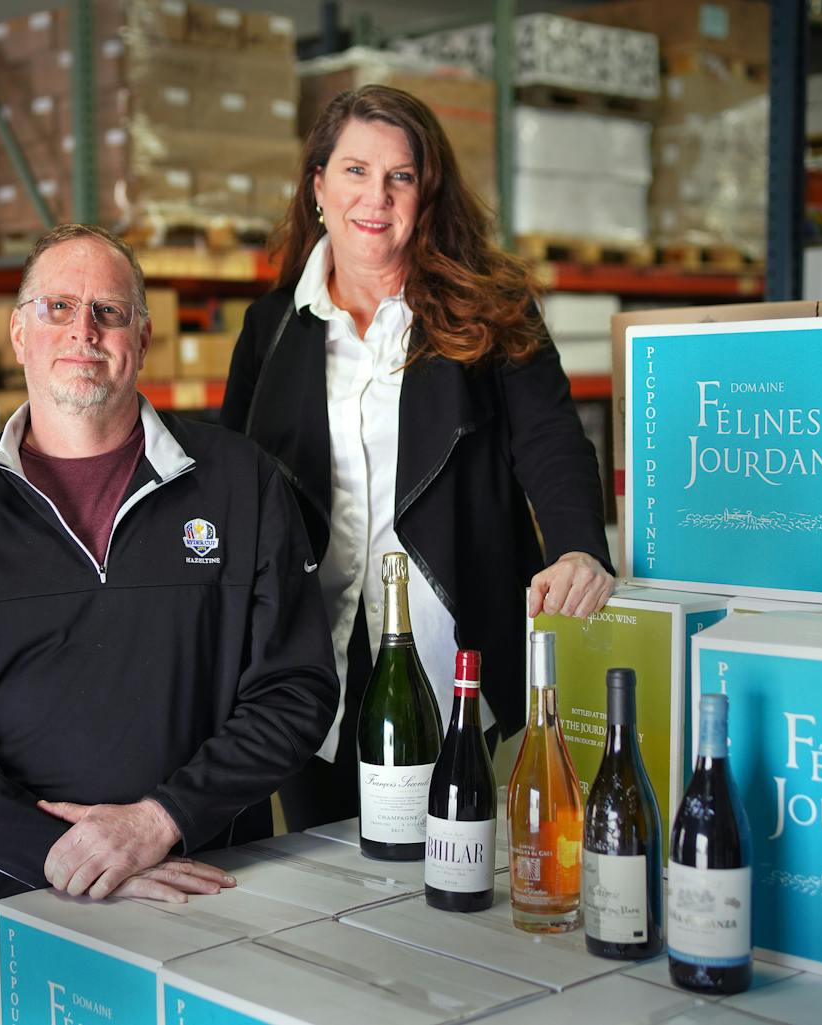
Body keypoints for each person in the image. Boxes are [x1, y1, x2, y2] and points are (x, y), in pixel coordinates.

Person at [0, 224, 338, 1022]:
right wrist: (55, 851)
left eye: (109, 312)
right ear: (19, 331)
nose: (83, 331)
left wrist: (160, 821)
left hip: (206, 913)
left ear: (143, 339)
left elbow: (295, 687)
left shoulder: (238, 484)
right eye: (58, 306)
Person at [220, 85, 615, 832]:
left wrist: (577, 547)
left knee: (451, 874)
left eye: (400, 176)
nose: (376, 196)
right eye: (355, 171)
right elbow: (233, 485)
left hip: (453, 648)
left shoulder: (488, 308)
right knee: (324, 880)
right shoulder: (272, 328)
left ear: (426, 193)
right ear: (317, 187)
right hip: (313, 659)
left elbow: (551, 439)